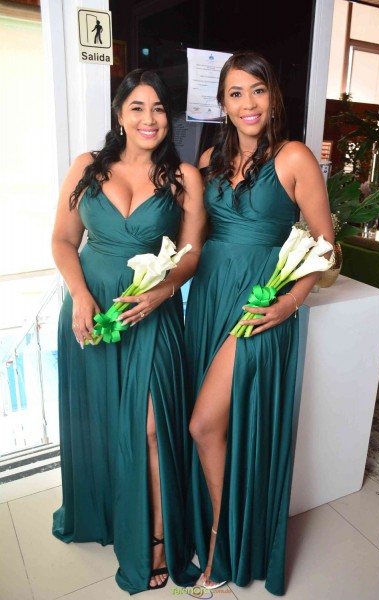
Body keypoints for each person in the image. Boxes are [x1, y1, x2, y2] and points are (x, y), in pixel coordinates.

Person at [51, 68, 206, 594]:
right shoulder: (86, 167)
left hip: (152, 315)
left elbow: (190, 254)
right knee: (97, 422)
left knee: (151, 430)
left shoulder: (183, 177)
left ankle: (157, 540)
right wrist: (80, 295)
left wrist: (165, 291)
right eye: (137, 107)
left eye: (158, 108)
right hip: (91, 313)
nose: (149, 118)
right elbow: (63, 239)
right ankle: (104, 514)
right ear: (119, 113)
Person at [185, 51, 334, 595]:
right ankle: (209, 525)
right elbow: (197, 236)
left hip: (258, 304)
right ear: (222, 104)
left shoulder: (294, 157)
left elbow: (324, 246)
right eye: (235, 93)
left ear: (273, 97)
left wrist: (289, 304)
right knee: (216, 426)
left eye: (257, 90)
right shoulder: (209, 159)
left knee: (204, 424)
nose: (247, 103)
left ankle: (225, 542)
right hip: (209, 297)